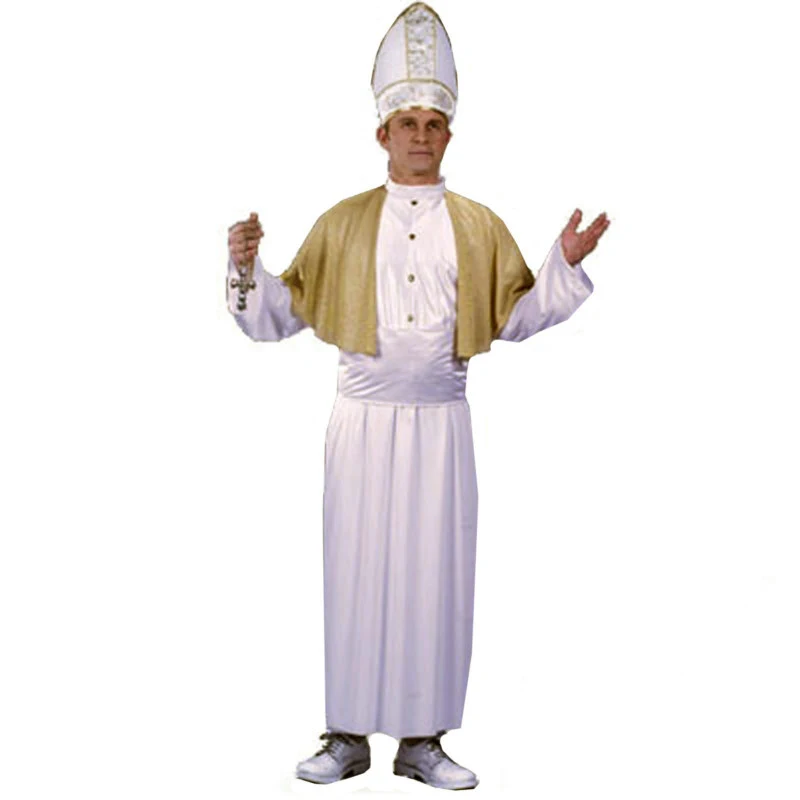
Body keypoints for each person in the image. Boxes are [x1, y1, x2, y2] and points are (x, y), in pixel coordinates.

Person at [225, 2, 609, 791]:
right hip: (360, 421)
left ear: (448, 137)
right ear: (383, 134)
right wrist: (243, 268)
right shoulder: (341, 223)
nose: (421, 136)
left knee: (435, 579)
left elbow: (515, 318)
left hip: (441, 425)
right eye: (408, 123)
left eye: (434, 124)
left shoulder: (478, 224)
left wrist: (562, 263)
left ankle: (423, 740)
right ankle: (346, 735)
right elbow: (277, 317)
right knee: (355, 570)